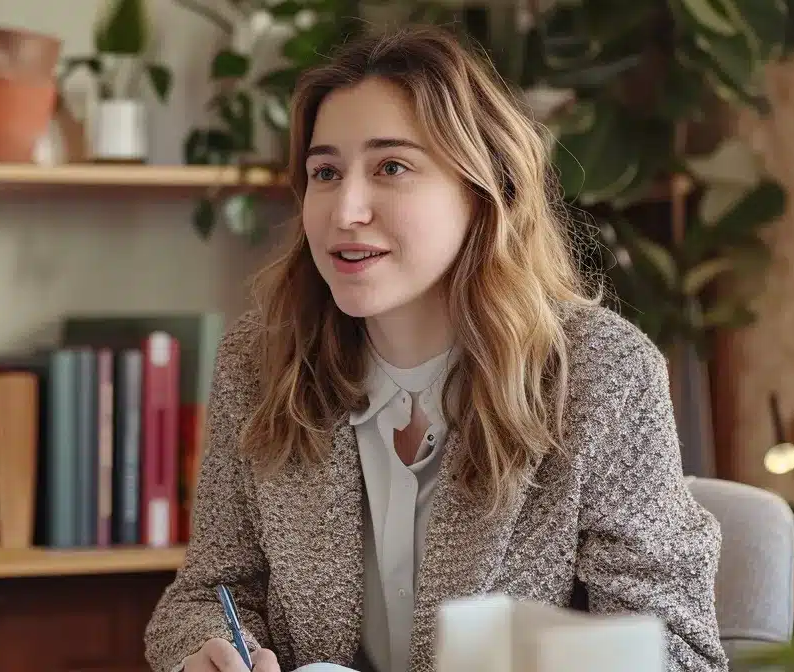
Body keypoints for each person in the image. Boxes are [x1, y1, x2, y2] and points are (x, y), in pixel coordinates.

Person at [144, 25, 727, 672]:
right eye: (325, 173)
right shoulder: (262, 362)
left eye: (391, 167)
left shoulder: (602, 375)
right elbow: (205, 595)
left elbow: (679, 651)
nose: (346, 210)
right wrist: (213, 653)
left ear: (482, 191)